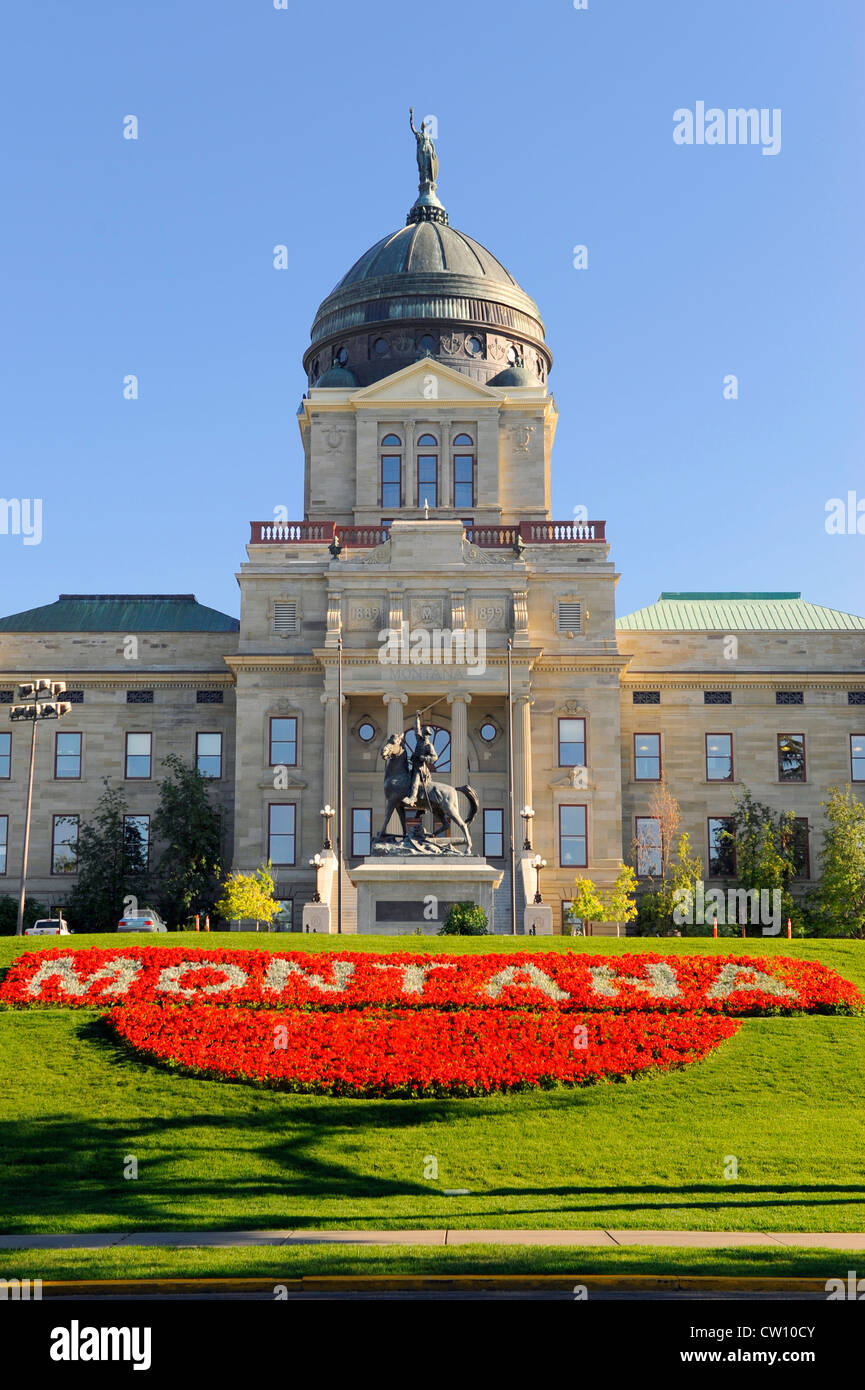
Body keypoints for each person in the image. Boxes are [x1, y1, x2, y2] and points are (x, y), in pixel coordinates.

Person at [403, 713, 438, 808]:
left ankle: (412, 798)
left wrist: (424, 758)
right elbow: (416, 729)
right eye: (424, 733)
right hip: (414, 765)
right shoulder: (419, 740)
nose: (425, 735)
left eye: (427, 734)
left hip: (421, 768)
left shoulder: (429, 746)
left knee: (415, 781)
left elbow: (434, 757)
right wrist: (417, 718)